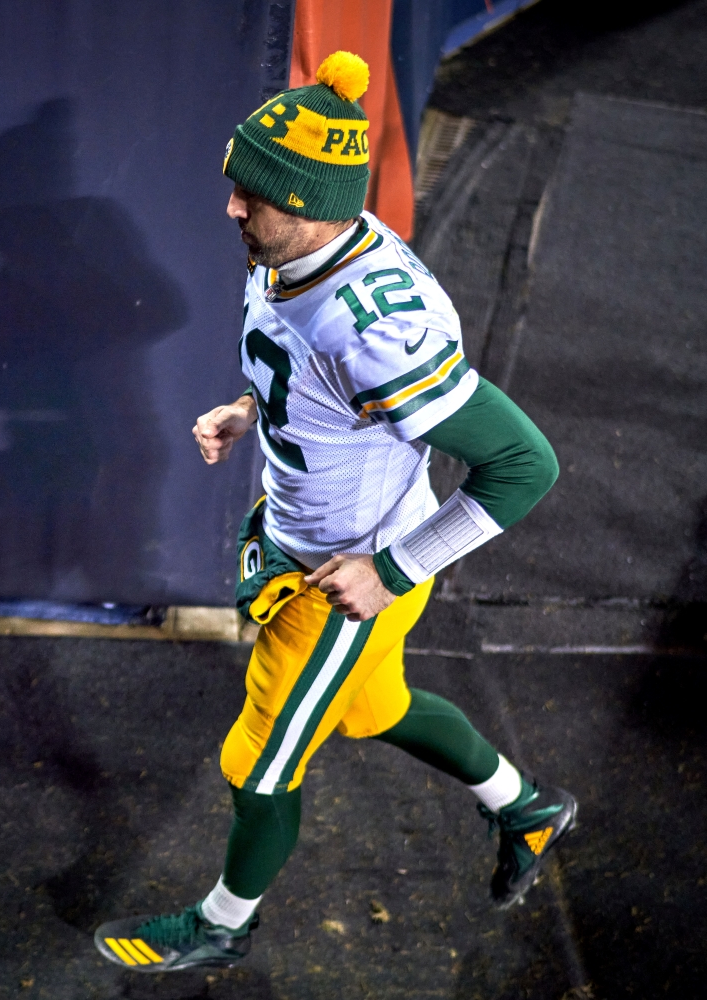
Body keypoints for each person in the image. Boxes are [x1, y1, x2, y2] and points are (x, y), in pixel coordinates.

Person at [93, 51, 576, 973]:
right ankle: (528, 807)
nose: (233, 208)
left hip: (341, 579)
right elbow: (300, 361)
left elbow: (525, 464)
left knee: (259, 766)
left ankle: (224, 925)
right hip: (314, 541)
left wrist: (388, 571)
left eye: (253, 198)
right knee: (373, 709)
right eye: (236, 187)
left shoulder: (372, 326)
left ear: (313, 204)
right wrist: (251, 409)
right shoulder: (301, 247)